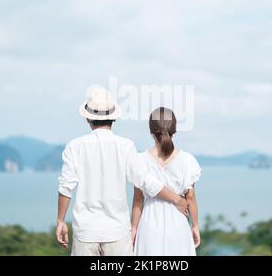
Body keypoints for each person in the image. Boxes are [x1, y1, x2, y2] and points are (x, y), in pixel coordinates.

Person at [55, 88, 188, 256]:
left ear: (87, 117)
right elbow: (145, 181)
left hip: (85, 232)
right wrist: (177, 199)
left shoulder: (75, 146)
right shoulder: (126, 146)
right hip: (117, 232)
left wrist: (60, 221)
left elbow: (65, 188)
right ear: (114, 117)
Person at [132, 107, 201, 256]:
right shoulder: (188, 161)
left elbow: (138, 199)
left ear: (151, 132)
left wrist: (134, 228)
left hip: (149, 223)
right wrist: (195, 226)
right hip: (178, 222)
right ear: (174, 130)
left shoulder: (139, 160)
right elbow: (190, 198)